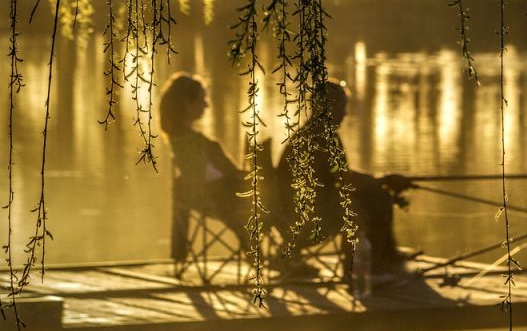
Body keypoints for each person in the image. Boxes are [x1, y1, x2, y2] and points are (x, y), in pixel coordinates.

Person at [272, 79, 412, 276]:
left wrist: (380, 180)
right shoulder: (325, 137)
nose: (346, 113)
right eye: (343, 107)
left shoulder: (309, 133)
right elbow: (349, 181)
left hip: (289, 215)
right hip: (306, 220)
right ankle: (362, 268)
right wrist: (385, 180)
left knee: (373, 196)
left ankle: (382, 258)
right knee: (368, 203)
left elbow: (343, 176)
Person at [158, 73, 250, 267]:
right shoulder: (193, 143)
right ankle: (284, 256)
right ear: (186, 103)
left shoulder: (182, 140)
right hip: (221, 198)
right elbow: (214, 177)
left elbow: (210, 175)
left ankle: (276, 255)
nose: (206, 105)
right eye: (202, 100)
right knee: (274, 196)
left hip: (216, 194)